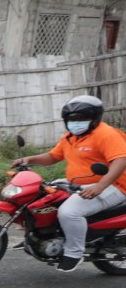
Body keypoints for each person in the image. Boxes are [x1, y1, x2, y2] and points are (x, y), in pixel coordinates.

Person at [11, 95, 126, 272]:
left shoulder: (107, 135)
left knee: (69, 212)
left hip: (113, 186)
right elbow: (52, 157)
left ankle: (74, 253)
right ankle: (37, 236)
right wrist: (28, 159)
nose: (76, 123)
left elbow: (120, 161)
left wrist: (99, 187)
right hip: (78, 182)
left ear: (94, 119)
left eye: (81, 120)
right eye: (71, 120)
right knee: (40, 196)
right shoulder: (70, 137)